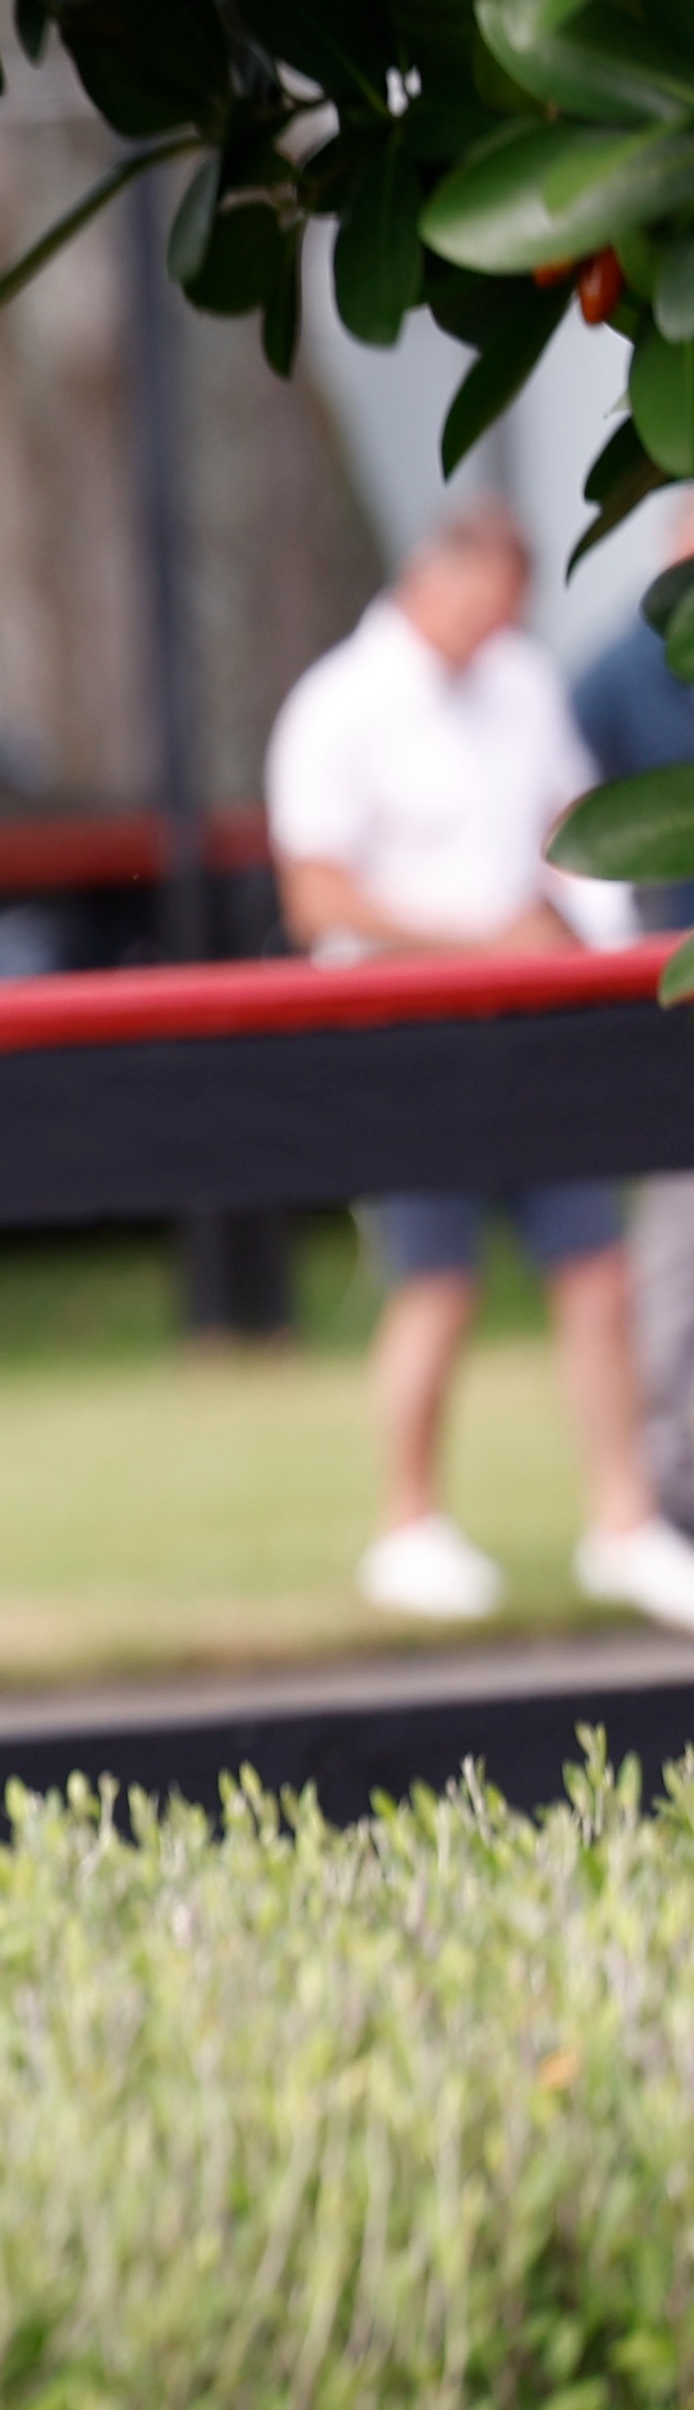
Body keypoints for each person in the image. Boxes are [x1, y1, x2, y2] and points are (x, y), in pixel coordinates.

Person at [265, 494, 694, 1629]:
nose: (487, 631)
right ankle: (408, 1525)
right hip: (406, 1032)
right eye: (475, 608)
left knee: (593, 1273)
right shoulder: (338, 705)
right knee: (436, 1284)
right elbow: (318, 899)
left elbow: (570, 830)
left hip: (534, 1027)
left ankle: (624, 1525)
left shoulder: (520, 686)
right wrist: (477, 939)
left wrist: (597, 958)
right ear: (429, 580)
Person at [570, 492, 694, 1539]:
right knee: (677, 1245)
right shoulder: (617, 675)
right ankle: (672, 1481)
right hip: (673, 993)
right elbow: (569, 822)